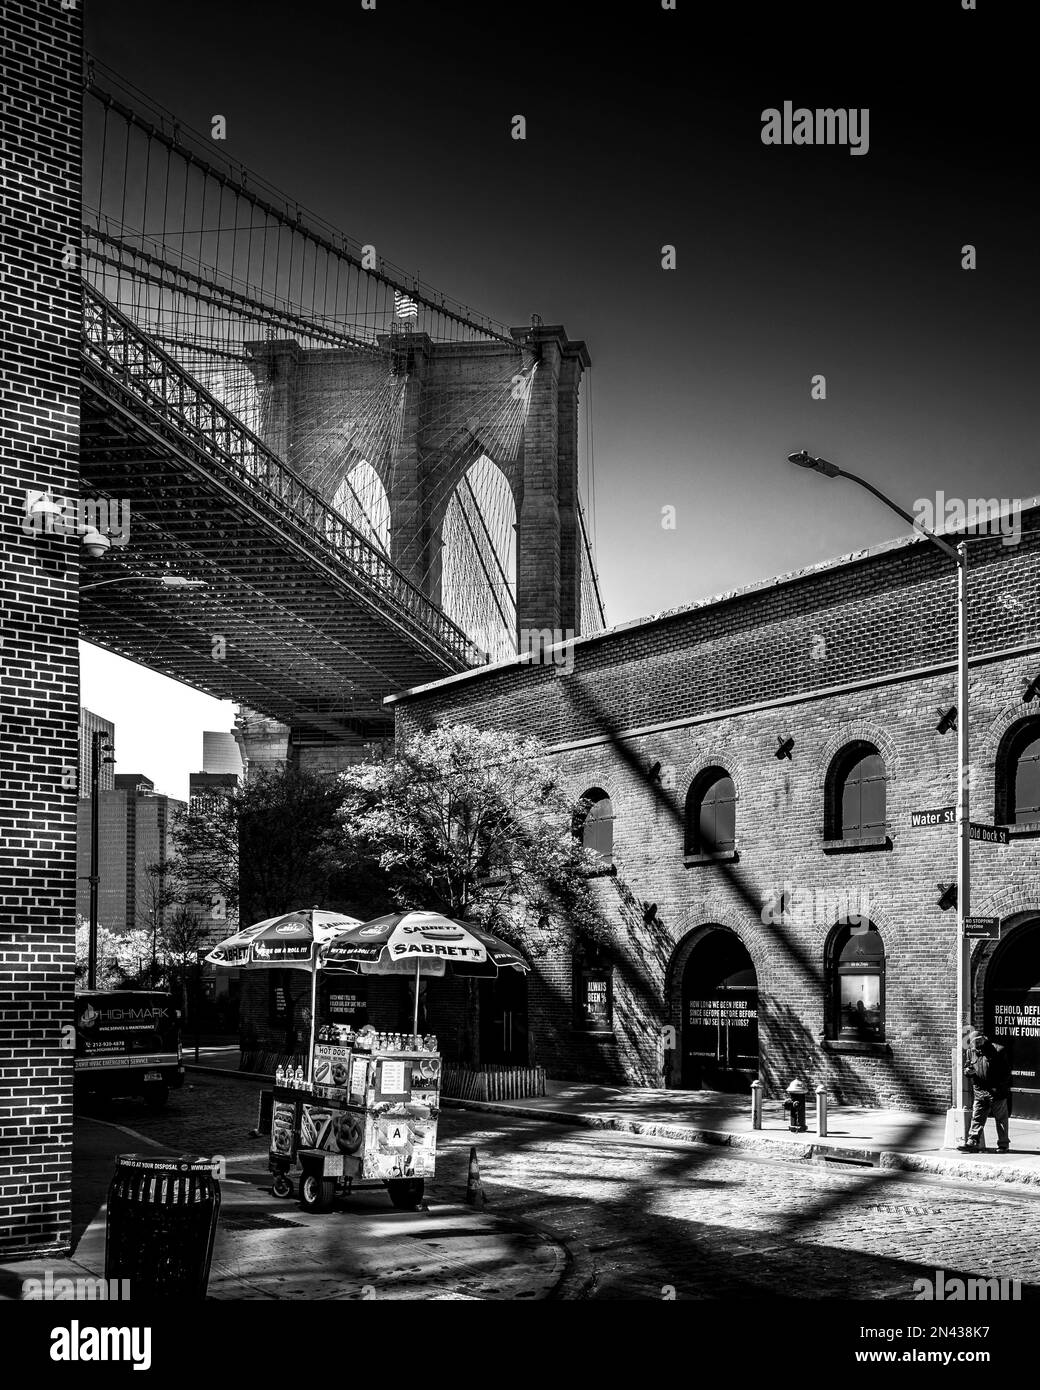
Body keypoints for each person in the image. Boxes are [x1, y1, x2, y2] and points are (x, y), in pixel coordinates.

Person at [958, 1032, 1012, 1153]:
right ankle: (972, 1142)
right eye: (973, 1043)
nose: (976, 1044)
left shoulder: (998, 1050)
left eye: (978, 1041)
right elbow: (968, 1067)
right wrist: (967, 1071)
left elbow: (1006, 1073)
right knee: (977, 1118)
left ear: (984, 1039)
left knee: (1001, 1120)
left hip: (996, 1092)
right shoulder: (970, 1052)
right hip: (980, 1091)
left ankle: (1003, 1145)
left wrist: (997, 1087)